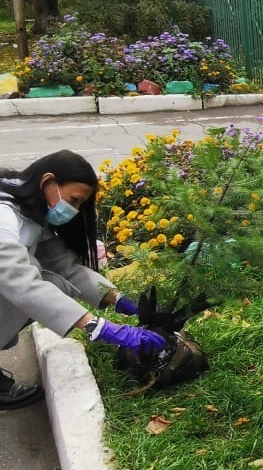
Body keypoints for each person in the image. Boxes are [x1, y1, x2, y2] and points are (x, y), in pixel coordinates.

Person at [0, 150, 167, 407]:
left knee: (54, 283)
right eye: (74, 200)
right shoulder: (4, 217)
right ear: (48, 182)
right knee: (30, 289)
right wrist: (100, 328)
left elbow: (65, 267)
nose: (75, 211)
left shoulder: (28, 211)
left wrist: (116, 297)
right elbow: (20, 283)